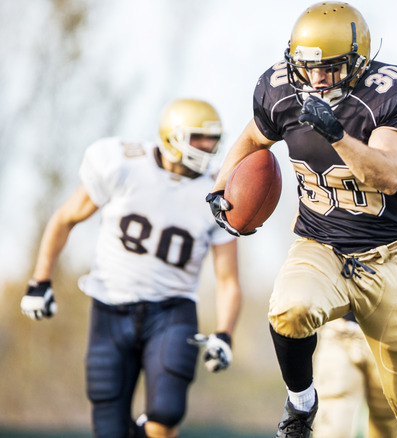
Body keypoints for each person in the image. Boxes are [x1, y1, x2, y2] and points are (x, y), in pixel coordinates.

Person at [205, 2, 397, 437]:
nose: (316, 79)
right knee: (289, 309)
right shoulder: (280, 90)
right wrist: (223, 186)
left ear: (357, 62)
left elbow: (389, 175)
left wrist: (336, 134)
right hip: (321, 244)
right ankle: (300, 403)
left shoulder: (392, 93)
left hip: (388, 256)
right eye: (307, 67)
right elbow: (256, 135)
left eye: (330, 68)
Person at [21, 98, 243, 438]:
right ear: (172, 137)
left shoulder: (219, 191)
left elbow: (228, 279)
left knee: (167, 413)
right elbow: (65, 218)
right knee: (108, 428)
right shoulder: (122, 165)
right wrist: (40, 280)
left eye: (212, 139)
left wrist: (225, 334)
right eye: (198, 137)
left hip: (172, 311)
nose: (208, 147)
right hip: (111, 308)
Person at [312, 198, 397, 438]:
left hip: (391, 335)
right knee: (332, 426)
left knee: (388, 429)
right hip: (342, 331)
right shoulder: (338, 197)